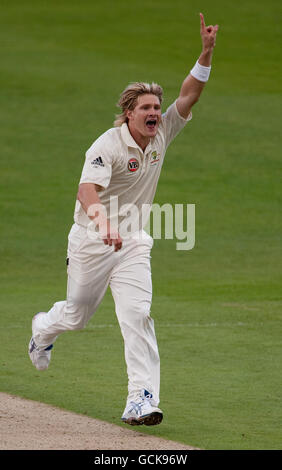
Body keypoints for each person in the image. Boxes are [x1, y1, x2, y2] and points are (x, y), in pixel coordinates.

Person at [28, 13, 218, 426]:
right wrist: (104, 223)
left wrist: (205, 53)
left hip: (132, 242)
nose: (155, 113)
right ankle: (43, 329)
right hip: (92, 241)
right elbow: (85, 191)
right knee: (76, 316)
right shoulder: (107, 146)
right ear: (129, 113)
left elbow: (189, 96)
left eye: (156, 106)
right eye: (146, 108)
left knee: (137, 315)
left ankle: (141, 400)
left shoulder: (163, 131)